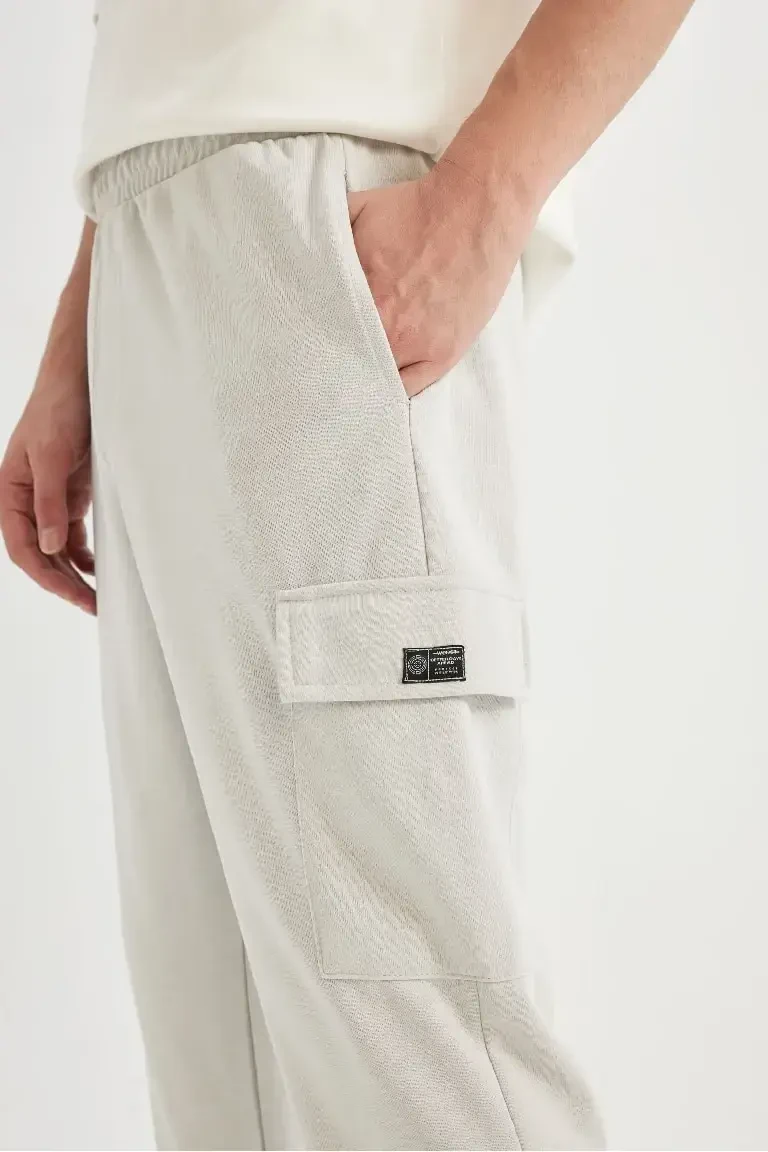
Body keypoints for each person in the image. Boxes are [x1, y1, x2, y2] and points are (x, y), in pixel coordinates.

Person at [0, 1, 695, 1148]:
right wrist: (84, 316)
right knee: (219, 1079)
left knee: (422, 1051)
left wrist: (487, 193)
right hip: (147, 231)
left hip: (336, 218)